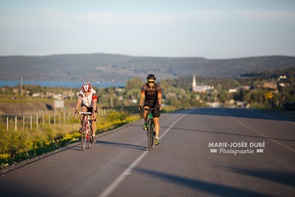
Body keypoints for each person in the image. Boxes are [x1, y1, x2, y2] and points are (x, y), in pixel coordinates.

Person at [138, 74, 162, 145]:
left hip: (155, 102)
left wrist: (159, 104)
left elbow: (159, 97)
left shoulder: (157, 87)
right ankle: (145, 122)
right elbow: (142, 97)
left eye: (152, 82)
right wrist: (140, 105)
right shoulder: (144, 87)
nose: (150, 83)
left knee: (156, 121)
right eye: (149, 82)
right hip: (147, 101)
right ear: (147, 81)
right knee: (145, 110)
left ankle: (157, 138)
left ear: (154, 81)